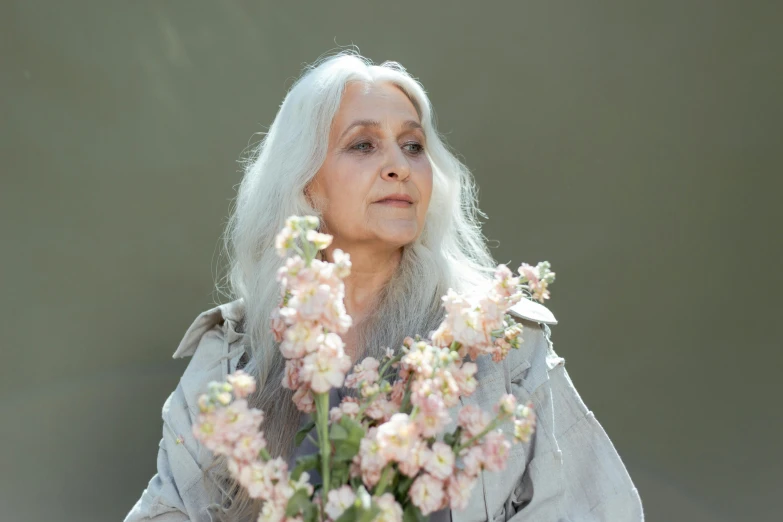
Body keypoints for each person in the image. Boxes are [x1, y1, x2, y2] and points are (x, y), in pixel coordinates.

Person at [125, 50, 644, 522]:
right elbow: (168, 511)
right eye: (364, 145)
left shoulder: (501, 343)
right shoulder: (230, 357)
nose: (399, 166)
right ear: (305, 181)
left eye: (413, 146)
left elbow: (597, 509)